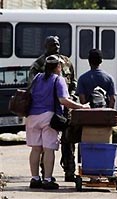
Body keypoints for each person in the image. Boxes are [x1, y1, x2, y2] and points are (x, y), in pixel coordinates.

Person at [26, 55, 90, 190]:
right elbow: (63, 100)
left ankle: (35, 179)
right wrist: (81, 106)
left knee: (36, 149)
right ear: (58, 67)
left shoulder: (37, 78)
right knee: (49, 149)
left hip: (32, 117)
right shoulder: (58, 79)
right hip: (48, 117)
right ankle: (48, 180)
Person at [29, 35, 77, 182]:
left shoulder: (67, 61)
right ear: (46, 46)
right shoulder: (38, 64)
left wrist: (72, 96)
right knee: (45, 145)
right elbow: (31, 86)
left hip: (65, 108)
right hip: (49, 110)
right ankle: (45, 174)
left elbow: (73, 81)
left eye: (57, 45)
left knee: (68, 140)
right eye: (52, 45)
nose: (56, 47)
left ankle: (69, 170)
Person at [76, 49, 117, 147]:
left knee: (68, 134)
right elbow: (112, 99)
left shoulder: (82, 78)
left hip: (88, 118)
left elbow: (82, 101)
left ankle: (70, 160)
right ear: (101, 61)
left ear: (89, 61)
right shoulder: (109, 78)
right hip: (105, 118)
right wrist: (108, 115)